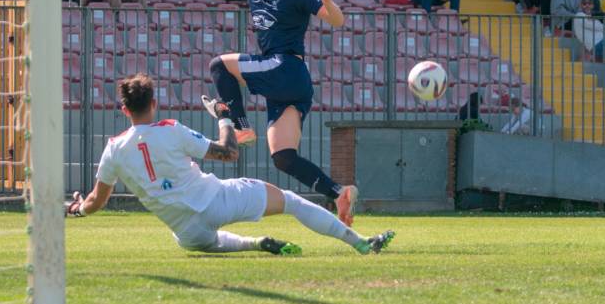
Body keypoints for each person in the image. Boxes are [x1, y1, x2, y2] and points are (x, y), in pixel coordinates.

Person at [65, 74, 395, 256]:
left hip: (184, 229)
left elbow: (96, 202)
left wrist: (77, 209)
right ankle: (361, 244)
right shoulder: (171, 129)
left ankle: (254, 244)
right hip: (217, 199)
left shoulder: (113, 149)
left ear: (124, 110)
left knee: (201, 243)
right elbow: (228, 152)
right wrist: (224, 118)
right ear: (154, 103)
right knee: (292, 202)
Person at [186, 0, 359, 226]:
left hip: (286, 66)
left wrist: (328, 0)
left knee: (219, 66)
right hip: (291, 84)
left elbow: (337, 21)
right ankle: (338, 193)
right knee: (283, 158)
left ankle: (240, 128)